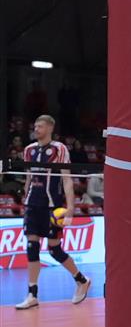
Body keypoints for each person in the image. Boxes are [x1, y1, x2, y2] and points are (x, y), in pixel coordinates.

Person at [14, 114, 90, 310]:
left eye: (40, 126)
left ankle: (81, 280)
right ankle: (32, 294)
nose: (36, 129)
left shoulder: (59, 149)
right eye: (35, 126)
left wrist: (70, 208)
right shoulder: (29, 150)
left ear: (50, 128)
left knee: (54, 249)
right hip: (32, 205)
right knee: (31, 246)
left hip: (52, 207)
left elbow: (66, 179)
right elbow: (29, 177)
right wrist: (25, 196)